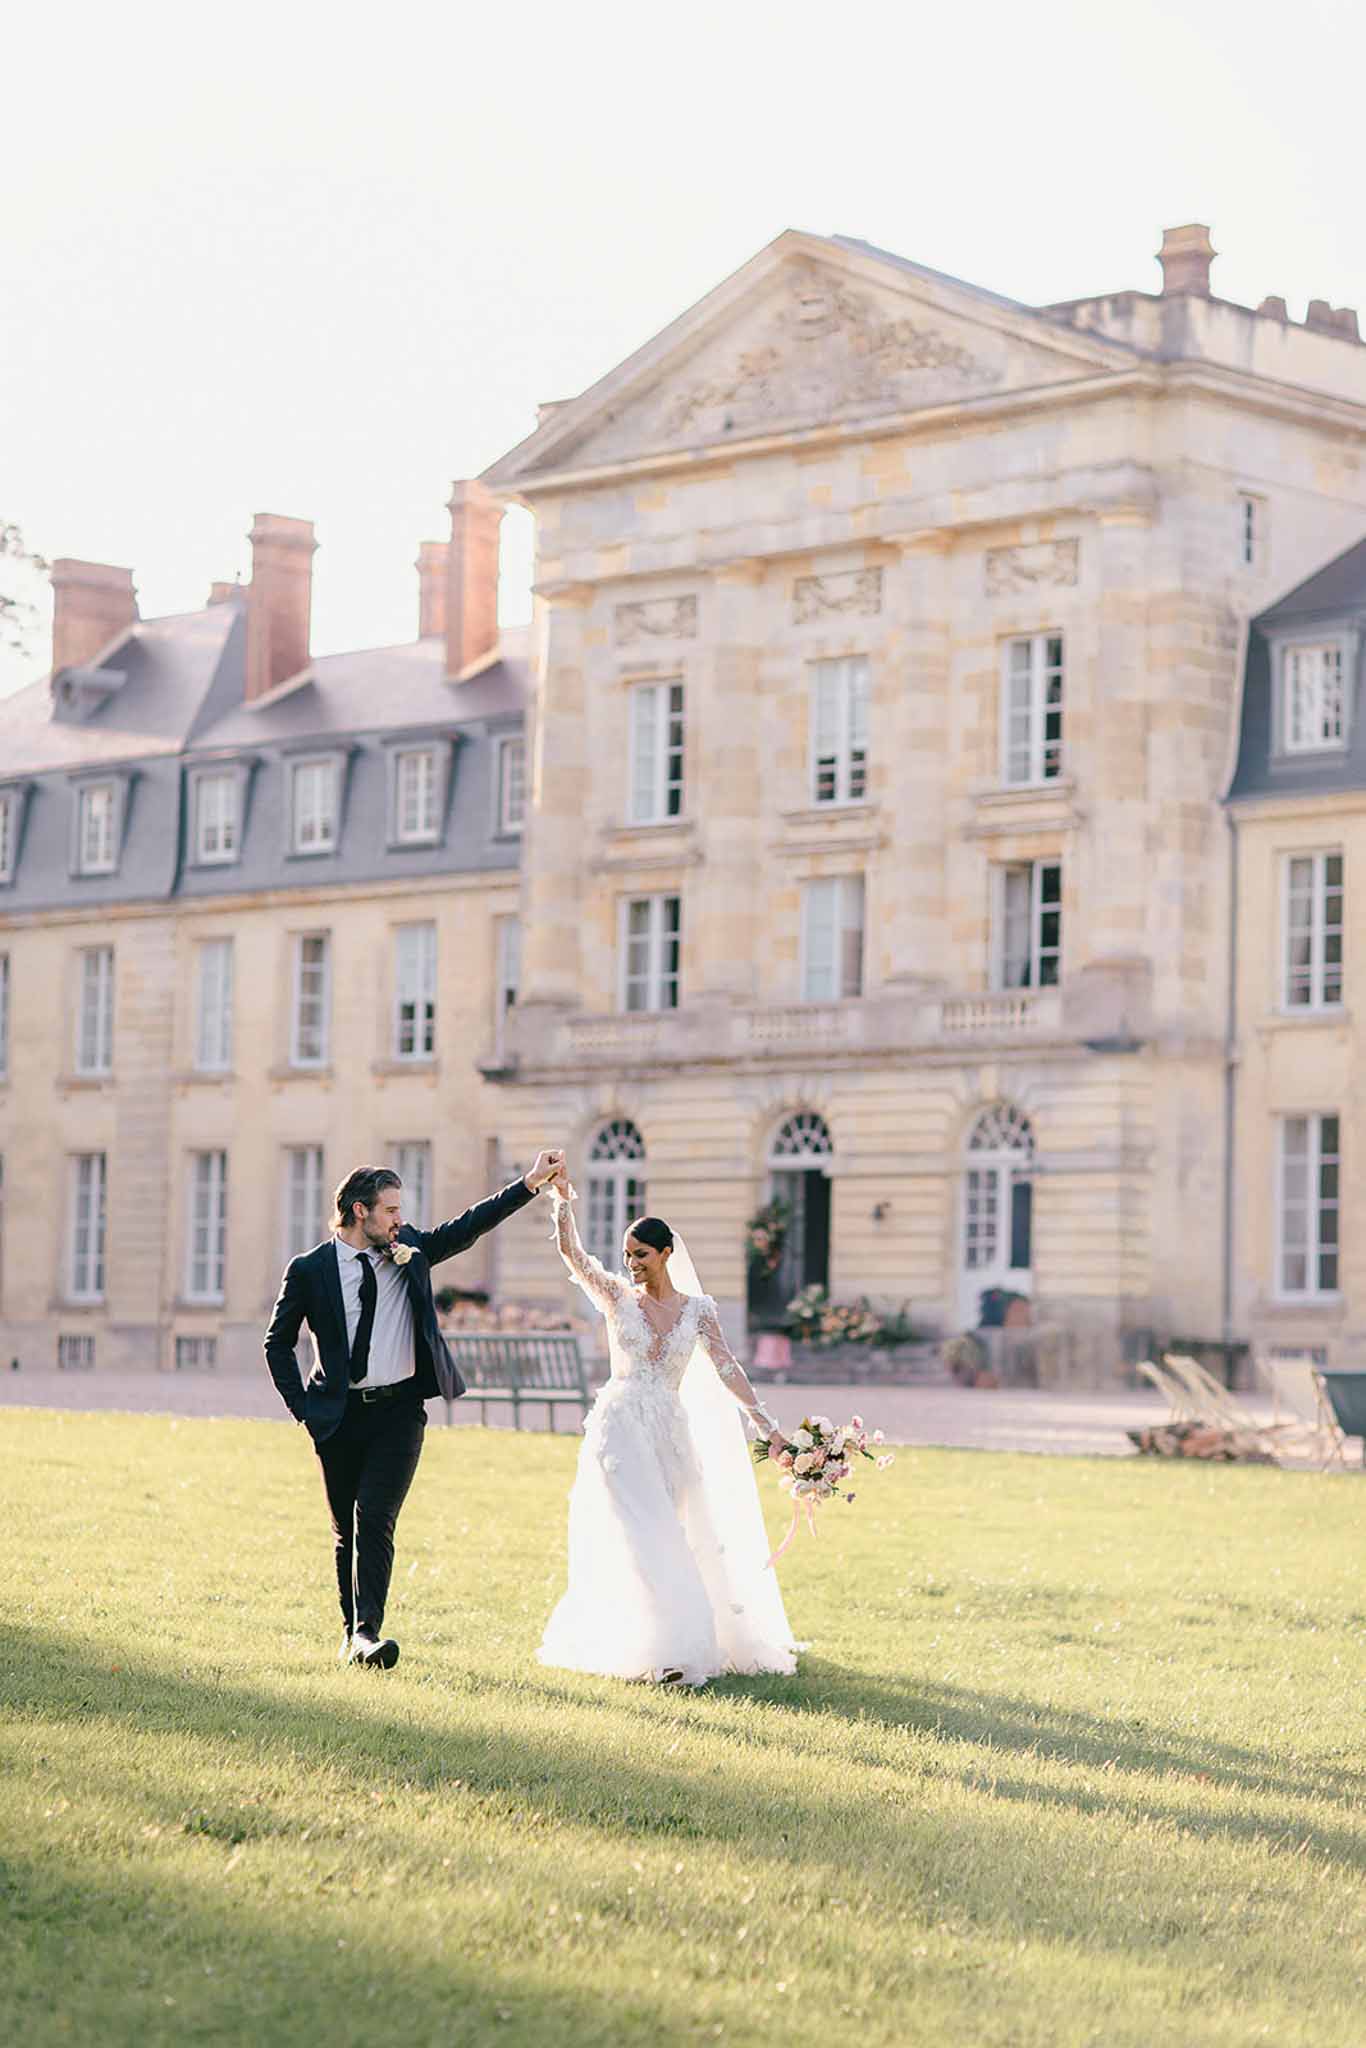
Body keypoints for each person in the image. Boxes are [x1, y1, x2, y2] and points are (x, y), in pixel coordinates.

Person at [264, 1151, 564, 1668]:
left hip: (399, 1413)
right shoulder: (309, 1270)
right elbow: (278, 1343)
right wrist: (304, 1409)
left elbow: (467, 1227)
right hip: (337, 1417)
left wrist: (530, 1183)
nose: (399, 1220)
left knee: (375, 1518)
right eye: (390, 1210)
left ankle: (367, 1634)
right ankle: (350, 1631)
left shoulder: (411, 1251)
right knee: (345, 1532)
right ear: (360, 1212)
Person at [539, 1167, 799, 1685]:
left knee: (670, 1531)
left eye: (641, 1254)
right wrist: (562, 1201)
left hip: (669, 1433)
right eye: (627, 1254)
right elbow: (574, 1256)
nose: (631, 1264)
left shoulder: (698, 1311)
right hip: (619, 1427)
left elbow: (728, 1367)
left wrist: (768, 1427)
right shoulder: (615, 1297)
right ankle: (662, 1651)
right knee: (641, 1527)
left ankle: (672, 1641)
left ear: (665, 1254)